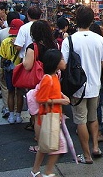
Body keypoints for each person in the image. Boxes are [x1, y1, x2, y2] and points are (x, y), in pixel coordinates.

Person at [61, 6, 103, 164]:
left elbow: (63, 64)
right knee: (93, 118)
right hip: (94, 86)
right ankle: (96, 147)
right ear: (92, 21)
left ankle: (87, 155)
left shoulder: (69, 40)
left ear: (76, 20)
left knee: (80, 121)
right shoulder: (99, 39)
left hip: (77, 88)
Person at [30, 49, 70, 177]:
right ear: (56, 63)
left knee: (44, 146)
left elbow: (52, 93)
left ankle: (36, 171)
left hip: (52, 116)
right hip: (49, 116)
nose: (64, 62)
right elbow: (41, 99)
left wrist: (62, 96)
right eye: (62, 59)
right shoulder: (48, 79)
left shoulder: (54, 77)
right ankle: (47, 171)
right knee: (60, 146)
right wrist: (61, 101)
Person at [24, 20, 59, 139]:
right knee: (50, 108)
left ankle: (39, 136)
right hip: (52, 80)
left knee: (38, 111)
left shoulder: (33, 47)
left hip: (38, 82)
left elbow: (27, 65)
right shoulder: (54, 45)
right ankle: (51, 133)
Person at [0, 18, 25, 124]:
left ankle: (11, 115)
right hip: (20, 69)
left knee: (10, 92)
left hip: (9, 70)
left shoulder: (5, 42)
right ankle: (18, 115)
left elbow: (2, 58)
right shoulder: (22, 42)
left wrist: (2, 70)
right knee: (19, 93)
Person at [0, 11, 20, 119]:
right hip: (19, 67)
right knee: (18, 90)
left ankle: (8, 109)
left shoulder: (2, 34)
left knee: (7, 89)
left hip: (6, 67)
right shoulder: (22, 34)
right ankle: (17, 110)